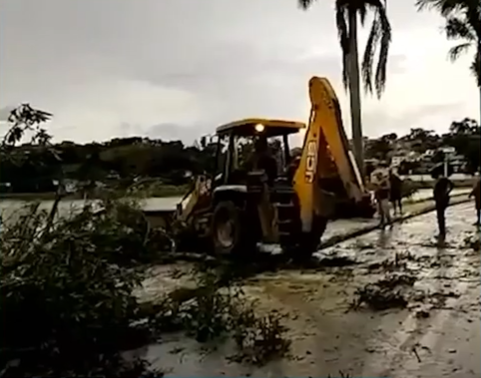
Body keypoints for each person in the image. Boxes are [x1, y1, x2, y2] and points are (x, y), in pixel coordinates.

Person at [370, 162, 392, 228]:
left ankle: (389, 221)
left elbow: (388, 187)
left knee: (385, 209)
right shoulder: (376, 182)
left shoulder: (385, 181)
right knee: (380, 210)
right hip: (379, 196)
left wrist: (381, 188)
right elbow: (374, 188)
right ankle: (382, 222)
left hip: (384, 196)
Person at [432, 171, 454, 237]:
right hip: (443, 200)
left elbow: (437, 192)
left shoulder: (440, 182)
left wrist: (446, 193)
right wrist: (447, 192)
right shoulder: (444, 181)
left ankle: (442, 231)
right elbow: (452, 185)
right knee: (441, 216)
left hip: (440, 201)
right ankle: (442, 230)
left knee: (440, 216)